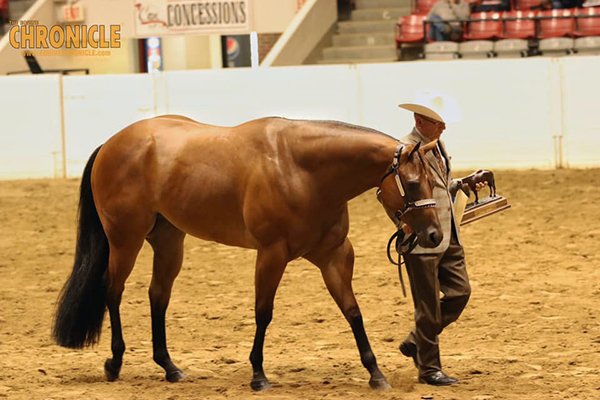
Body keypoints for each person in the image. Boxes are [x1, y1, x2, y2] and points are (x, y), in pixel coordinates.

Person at [396, 102, 486, 386]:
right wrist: (403, 222)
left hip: (449, 233)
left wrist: (461, 184)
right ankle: (428, 369)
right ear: (419, 122)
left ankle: (415, 341)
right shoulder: (405, 150)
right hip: (423, 238)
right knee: (428, 307)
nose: (443, 127)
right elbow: (391, 193)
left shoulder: (438, 145)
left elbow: (437, 186)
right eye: (438, 123)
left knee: (460, 293)